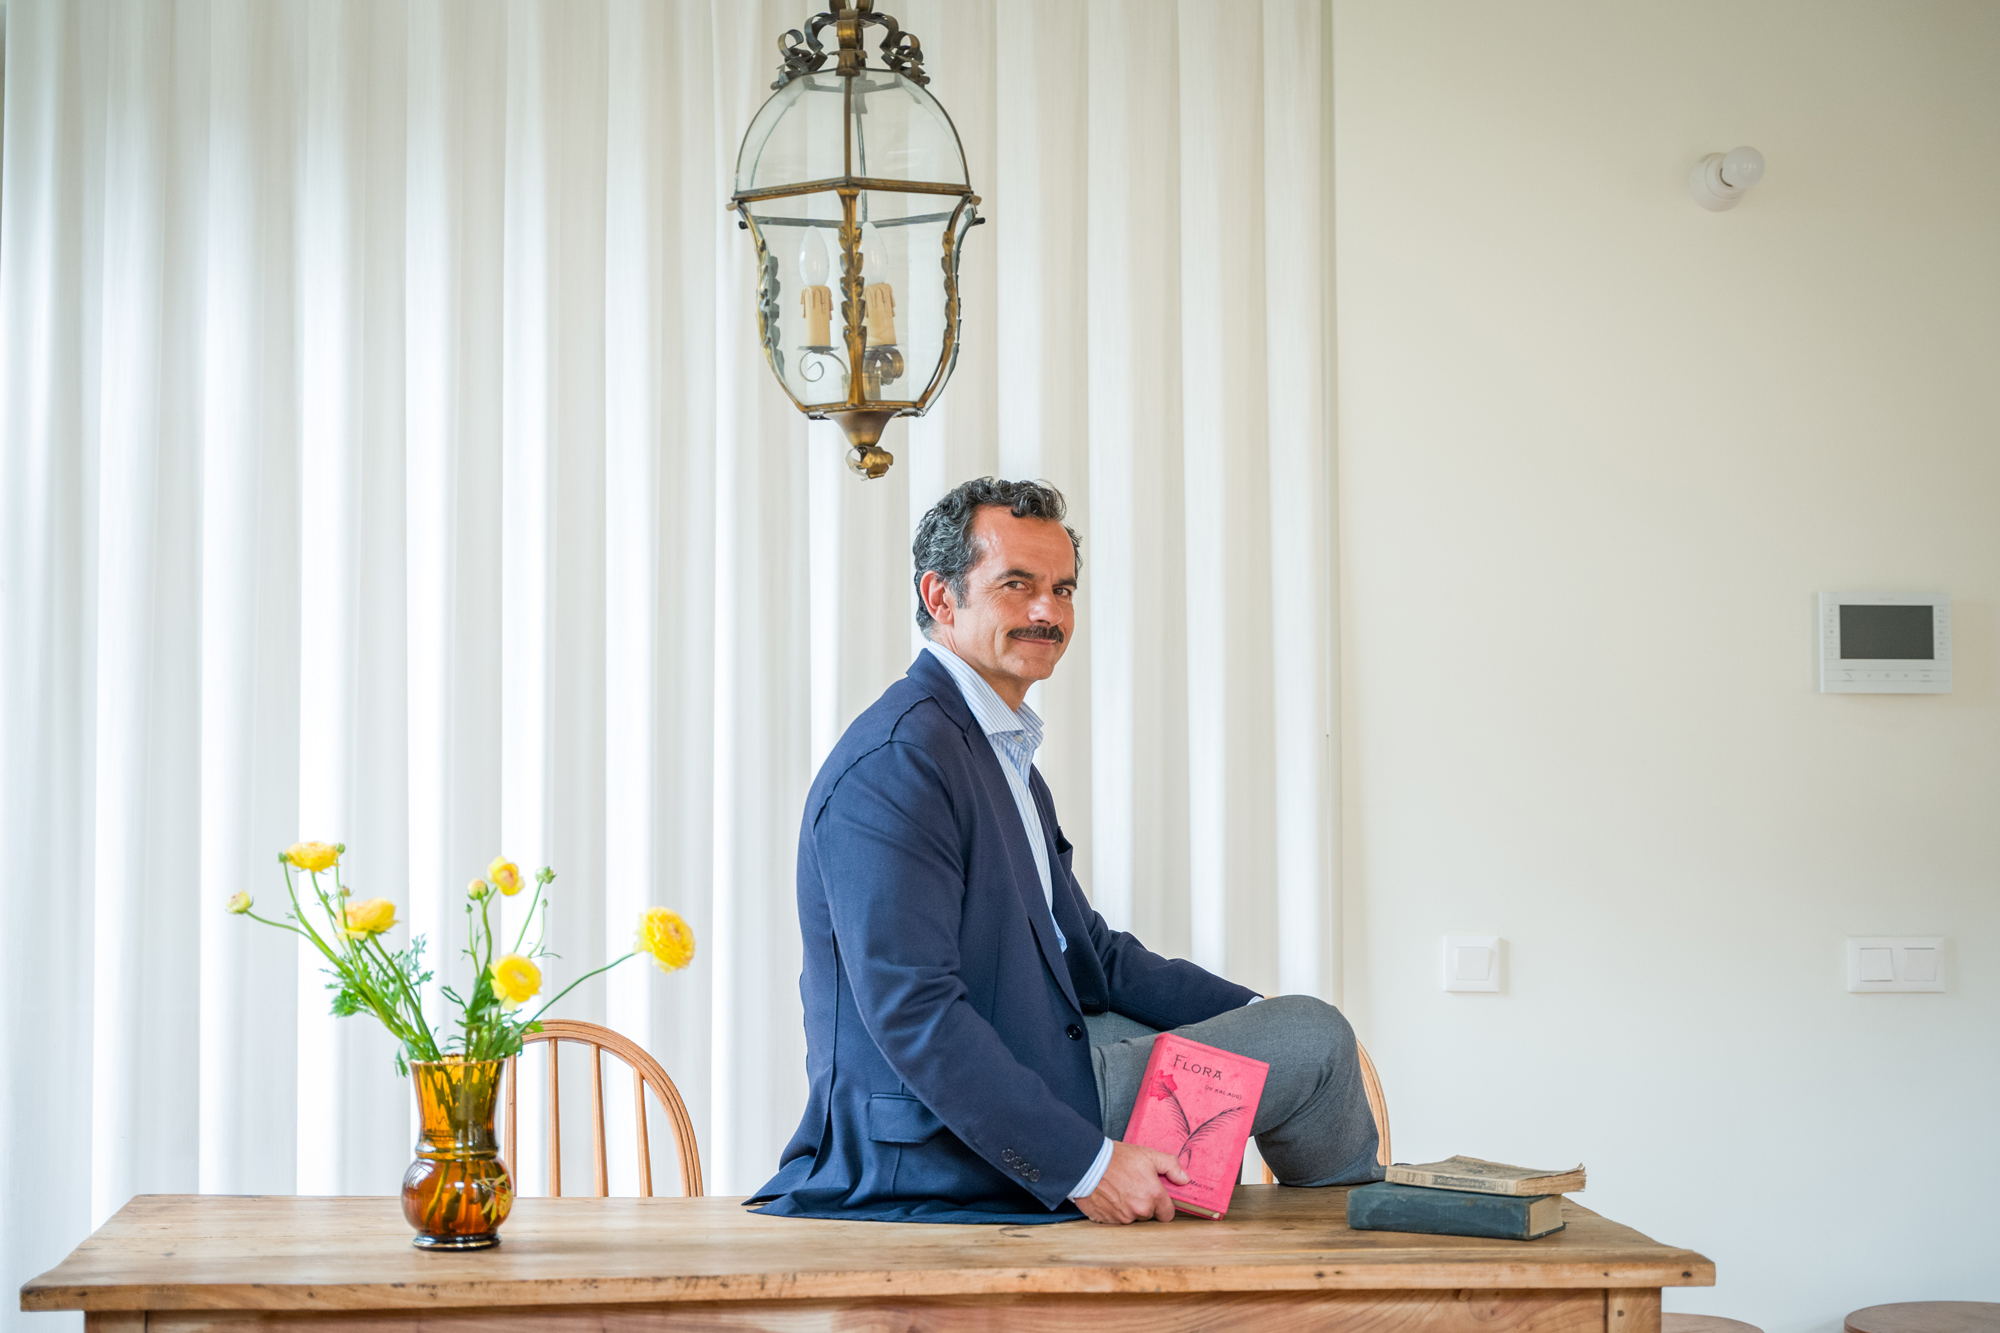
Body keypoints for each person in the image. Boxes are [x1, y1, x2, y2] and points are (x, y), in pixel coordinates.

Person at [750, 478, 1382, 1225]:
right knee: (1319, 1040)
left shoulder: (997, 752)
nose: (1048, 611)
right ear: (941, 596)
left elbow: (1094, 957)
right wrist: (1087, 1166)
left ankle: (1296, 1241)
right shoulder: (900, 760)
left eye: (1062, 588)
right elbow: (914, 1013)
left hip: (1046, 1057)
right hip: (932, 1143)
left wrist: (1250, 1014)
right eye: (1017, 585)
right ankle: (1363, 1258)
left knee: (1287, 1026)